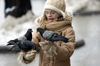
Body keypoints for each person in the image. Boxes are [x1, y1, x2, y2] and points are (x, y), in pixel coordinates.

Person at [31, 0, 75, 66]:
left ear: (60, 13)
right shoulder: (41, 27)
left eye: (52, 13)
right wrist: (28, 52)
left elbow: (67, 52)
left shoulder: (68, 30)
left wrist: (54, 48)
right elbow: (33, 44)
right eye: (46, 12)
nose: (49, 15)